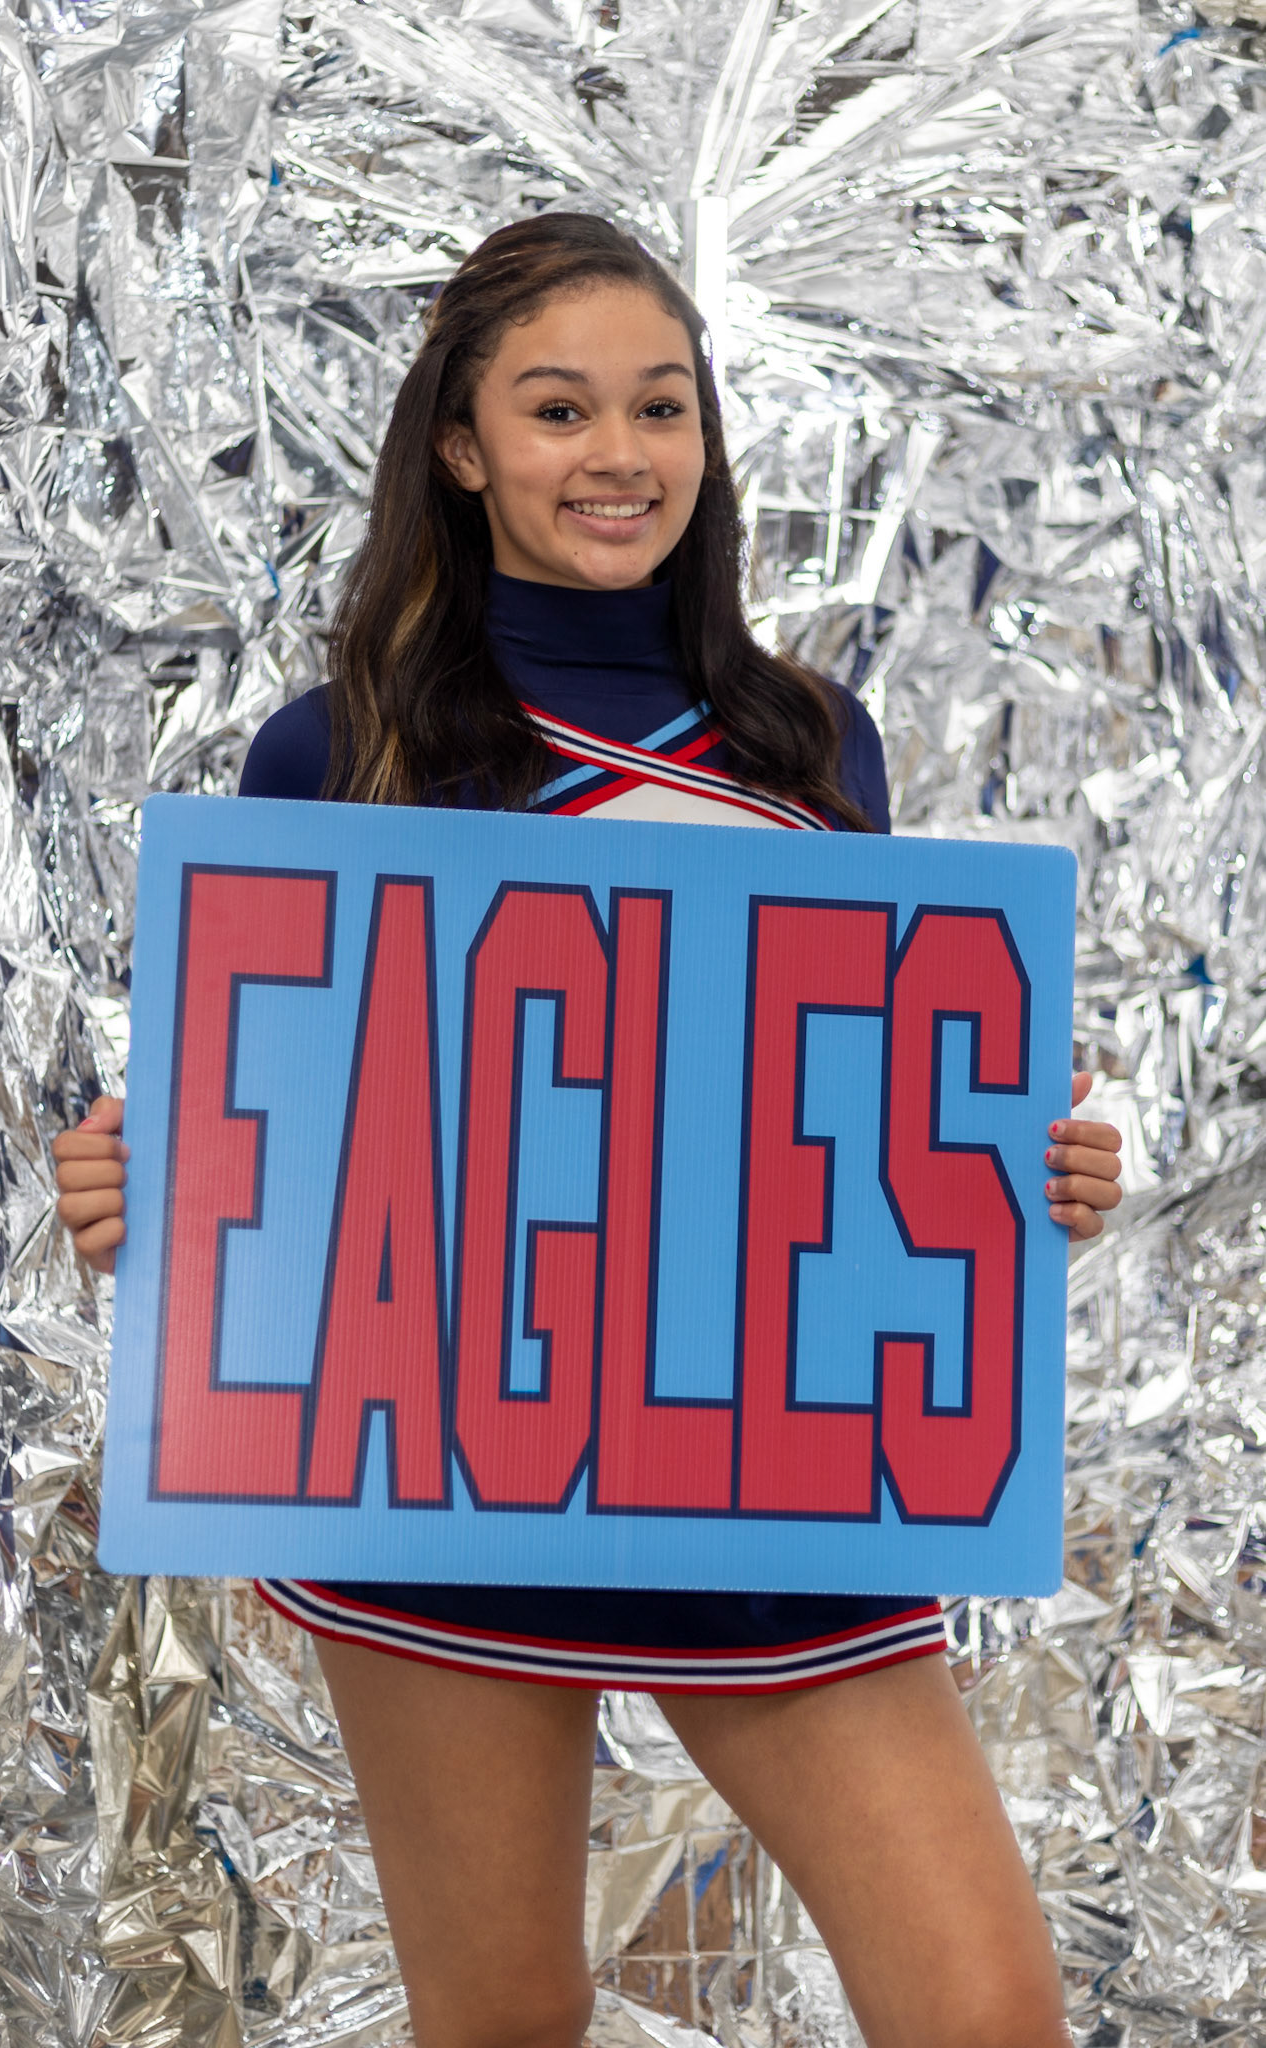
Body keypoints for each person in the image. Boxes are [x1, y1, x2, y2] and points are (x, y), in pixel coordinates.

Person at [54, 214, 1122, 2048]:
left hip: (774, 1475)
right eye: (557, 411)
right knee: (503, 2023)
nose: (616, 455)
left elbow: (833, 1105)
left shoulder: (810, 741)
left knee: (983, 2009)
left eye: (660, 408)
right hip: (445, 1476)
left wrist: (1006, 1168)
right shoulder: (341, 750)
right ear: (461, 446)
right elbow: (305, 1121)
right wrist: (153, 1182)